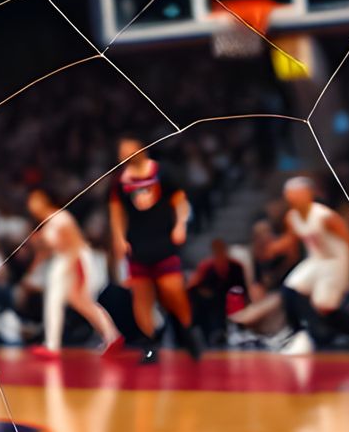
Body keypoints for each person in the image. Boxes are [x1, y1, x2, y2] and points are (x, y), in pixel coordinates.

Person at [108, 136, 202, 361]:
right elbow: (116, 211)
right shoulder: (120, 180)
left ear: (141, 149)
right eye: (122, 152)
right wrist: (119, 238)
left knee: (173, 291)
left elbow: (180, 201)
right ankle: (150, 347)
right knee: (141, 298)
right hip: (137, 244)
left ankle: (188, 332)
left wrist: (180, 225)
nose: (125, 155)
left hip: (163, 241)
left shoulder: (163, 172)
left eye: (129, 150)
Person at [272, 177, 349, 356]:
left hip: (336, 261)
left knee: (325, 307)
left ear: (308, 194)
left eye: (295, 193)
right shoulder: (292, 217)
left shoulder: (325, 216)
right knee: (289, 289)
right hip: (316, 260)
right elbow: (292, 239)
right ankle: (301, 336)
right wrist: (275, 248)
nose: (291, 197)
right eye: (288, 194)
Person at [27, 189, 120, 359]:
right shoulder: (47, 223)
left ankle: (52, 346)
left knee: (64, 299)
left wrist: (69, 268)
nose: (31, 206)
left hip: (74, 259)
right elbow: (45, 252)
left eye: (35, 200)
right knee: (80, 303)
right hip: (64, 260)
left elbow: (75, 244)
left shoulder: (60, 218)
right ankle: (111, 335)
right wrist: (32, 269)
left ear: (45, 200)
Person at [188, 238, 250, 345]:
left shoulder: (236, 266)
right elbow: (193, 285)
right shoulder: (206, 266)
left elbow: (243, 287)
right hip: (204, 301)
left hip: (223, 297)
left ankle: (224, 333)